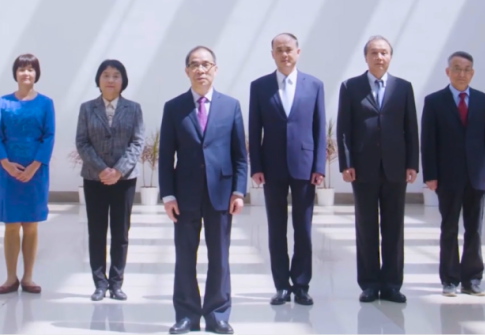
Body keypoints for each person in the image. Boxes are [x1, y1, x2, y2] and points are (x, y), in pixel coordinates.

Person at [160, 46, 247, 335]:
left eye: (206, 64)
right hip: (184, 195)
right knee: (185, 256)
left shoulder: (231, 106)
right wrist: (168, 195)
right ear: (186, 71)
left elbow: (240, 155)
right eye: (195, 65)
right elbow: (165, 156)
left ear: (215, 70)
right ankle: (186, 315)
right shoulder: (173, 107)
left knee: (219, 256)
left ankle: (217, 314)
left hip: (221, 193)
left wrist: (238, 191)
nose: (201, 70)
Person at [336, 35, 418, 304]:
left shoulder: (403, 87)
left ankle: (392, 284)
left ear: (390, 56)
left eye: (384, 52)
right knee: (366, 227)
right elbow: (344, 128)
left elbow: (411, 128)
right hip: (363, 168)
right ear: (366, 57)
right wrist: (346, 163)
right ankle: (370, 283)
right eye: (374, 53)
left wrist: (412, 164)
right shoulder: (351, 87)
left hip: (396, 167)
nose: (379, 57)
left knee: (394, 227)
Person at [248, 33, 325, 306]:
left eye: (289, 49)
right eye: (279, 50)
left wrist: (319, 166)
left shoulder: (314, 85)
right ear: (272, 54)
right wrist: (256, 166)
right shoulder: (260, 86)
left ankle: (301, 285)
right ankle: (281, 285)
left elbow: (319, 127)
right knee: (276, 229)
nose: (285, 54)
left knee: (303, 229)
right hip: (272, 167)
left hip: (304, 166)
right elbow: (254, 128)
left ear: (298, 52)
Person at [421, 51, 485, 297]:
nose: (461, 74)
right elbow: (428, 141)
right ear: (448, 72)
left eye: (466, 69)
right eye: (456, 68)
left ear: (472, 73)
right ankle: (450, 280)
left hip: (477, 175)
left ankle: (472, 279)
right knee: (449, 227)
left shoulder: (484, 101)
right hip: (448, 176)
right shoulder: (434, 101)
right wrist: (430, 175)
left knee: (474, 229)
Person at [75, 59, 146, 301]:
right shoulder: (87, 108)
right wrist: (102, 169)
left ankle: (116, 283)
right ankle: (99, 283)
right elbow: (82, 142)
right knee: (96, 231)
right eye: (106, 75)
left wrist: (118, 171)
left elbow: (137, 142)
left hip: (124, 181)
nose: (111, 80)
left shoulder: (133, 108)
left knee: (120, 232)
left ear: (123, 81)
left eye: (116, 75)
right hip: (94, 179)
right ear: (98, 80)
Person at [0, 54, 55, 295]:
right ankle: (10, 277)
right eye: (21, 69)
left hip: (35, 172)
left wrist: (34, 166)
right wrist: (5, 163)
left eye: (30, 69)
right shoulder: (3, 102)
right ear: (15, 73)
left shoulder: (46, 103)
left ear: (36, 73)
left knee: (30, 225)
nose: (26, 73)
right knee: (10, 225)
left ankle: (28, 277)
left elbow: (49, 135)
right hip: (8, 172)